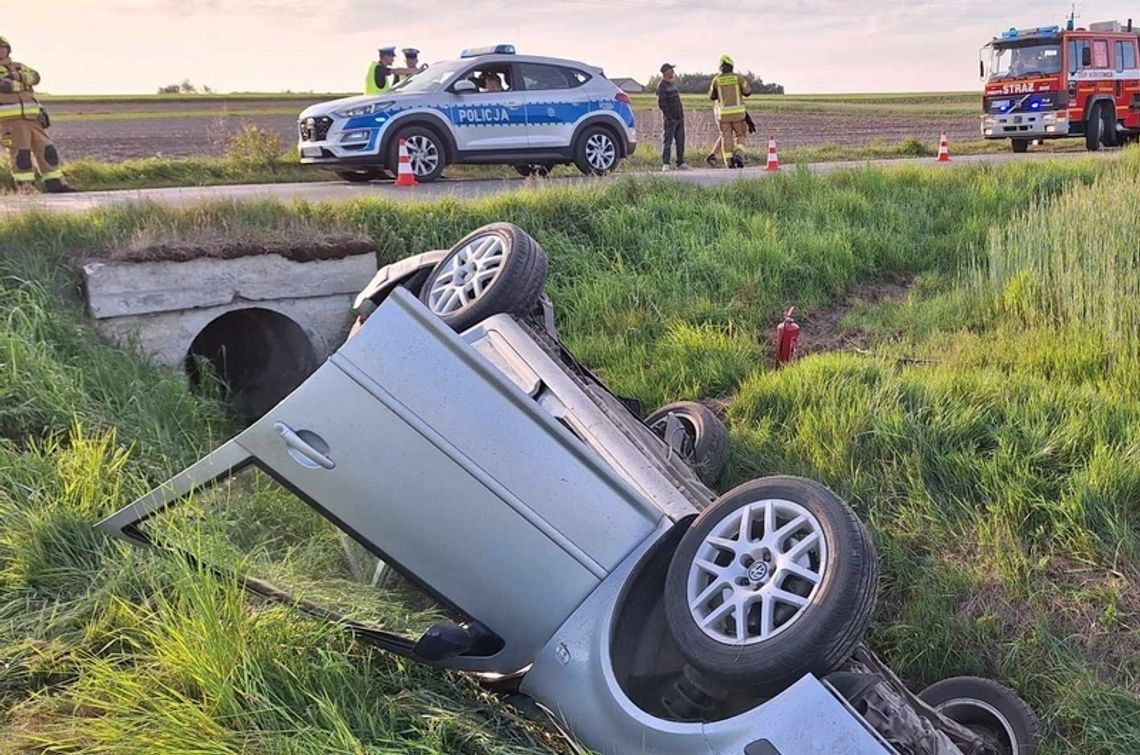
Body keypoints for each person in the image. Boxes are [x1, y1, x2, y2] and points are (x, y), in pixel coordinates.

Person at [0, 35, 74, 193]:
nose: (0, 51)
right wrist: (24, 83)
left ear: (8, 49)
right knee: (21, 156)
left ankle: (56, 184)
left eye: (2, 47)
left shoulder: (19, 66)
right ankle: (26, 189)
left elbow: (36, 77)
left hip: (34, 119)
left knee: (47, 151)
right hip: (10, 123)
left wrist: (17, 77)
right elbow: (5, 86)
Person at [708, 54, 751, 168]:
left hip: (723, 115)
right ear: (731, 65)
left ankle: (729, 162)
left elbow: (712, 96)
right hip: (738, 114)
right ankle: (738, 153)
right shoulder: (738, 78)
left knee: (726, 137)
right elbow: (748, 91)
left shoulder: (716, 80)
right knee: (740, 135)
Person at [656, 63, 686, 171]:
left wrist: (681, 116)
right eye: (671, 70)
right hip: (670, 120)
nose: (673, 72)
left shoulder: (673, 84)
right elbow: (662, 104)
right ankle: (666, 163)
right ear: (666, 72)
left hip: (679, 118)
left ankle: (680, 163)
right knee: (667, 142)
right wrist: (669, 117)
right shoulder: (662, 86)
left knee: (680, 141)